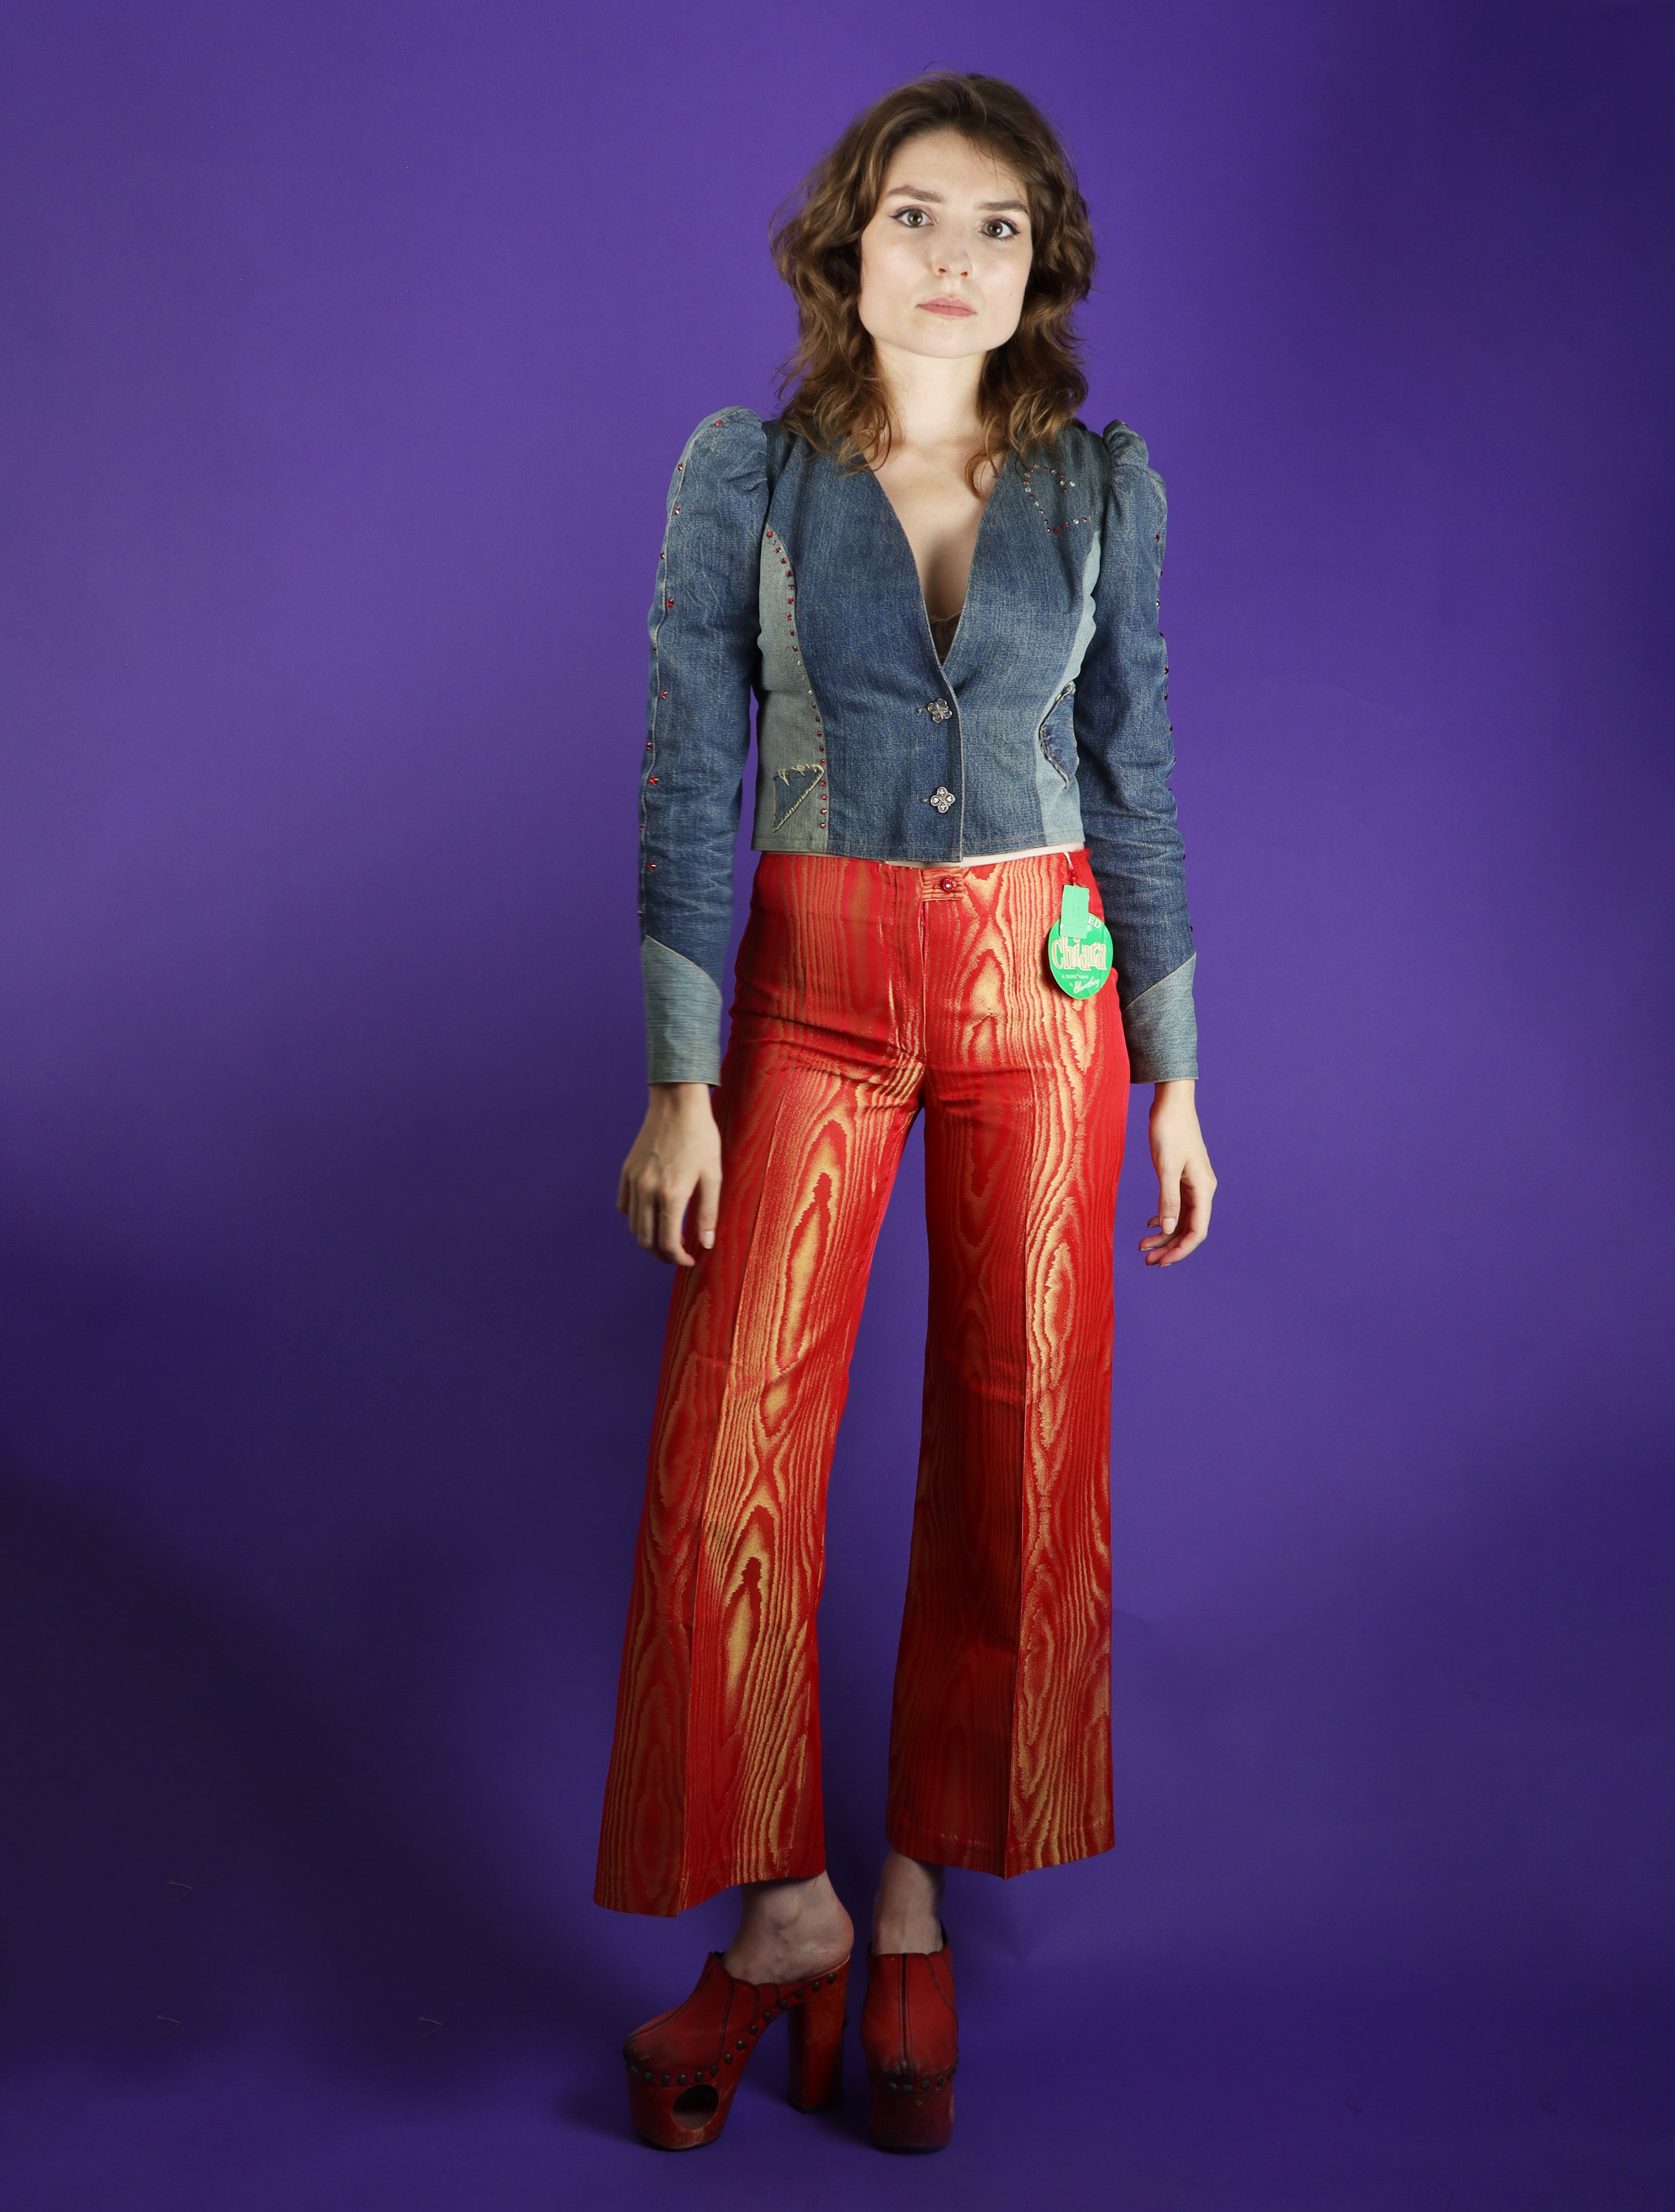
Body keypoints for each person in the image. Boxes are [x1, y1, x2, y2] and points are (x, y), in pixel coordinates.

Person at [595, 70, 1216, 2153]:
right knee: (731, 1461)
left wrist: (1179, 1072)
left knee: (1022, 1444)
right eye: (916, 218)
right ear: (845, 248)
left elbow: (1134, 769)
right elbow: (687, 765)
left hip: (1047, 999)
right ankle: (783, 1917)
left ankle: (916, 1901)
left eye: (997, 228)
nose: (954, 259)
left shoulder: (1101, 492)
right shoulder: (748, 475)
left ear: (1040, 271)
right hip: (808, 990)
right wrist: (679, 1077)